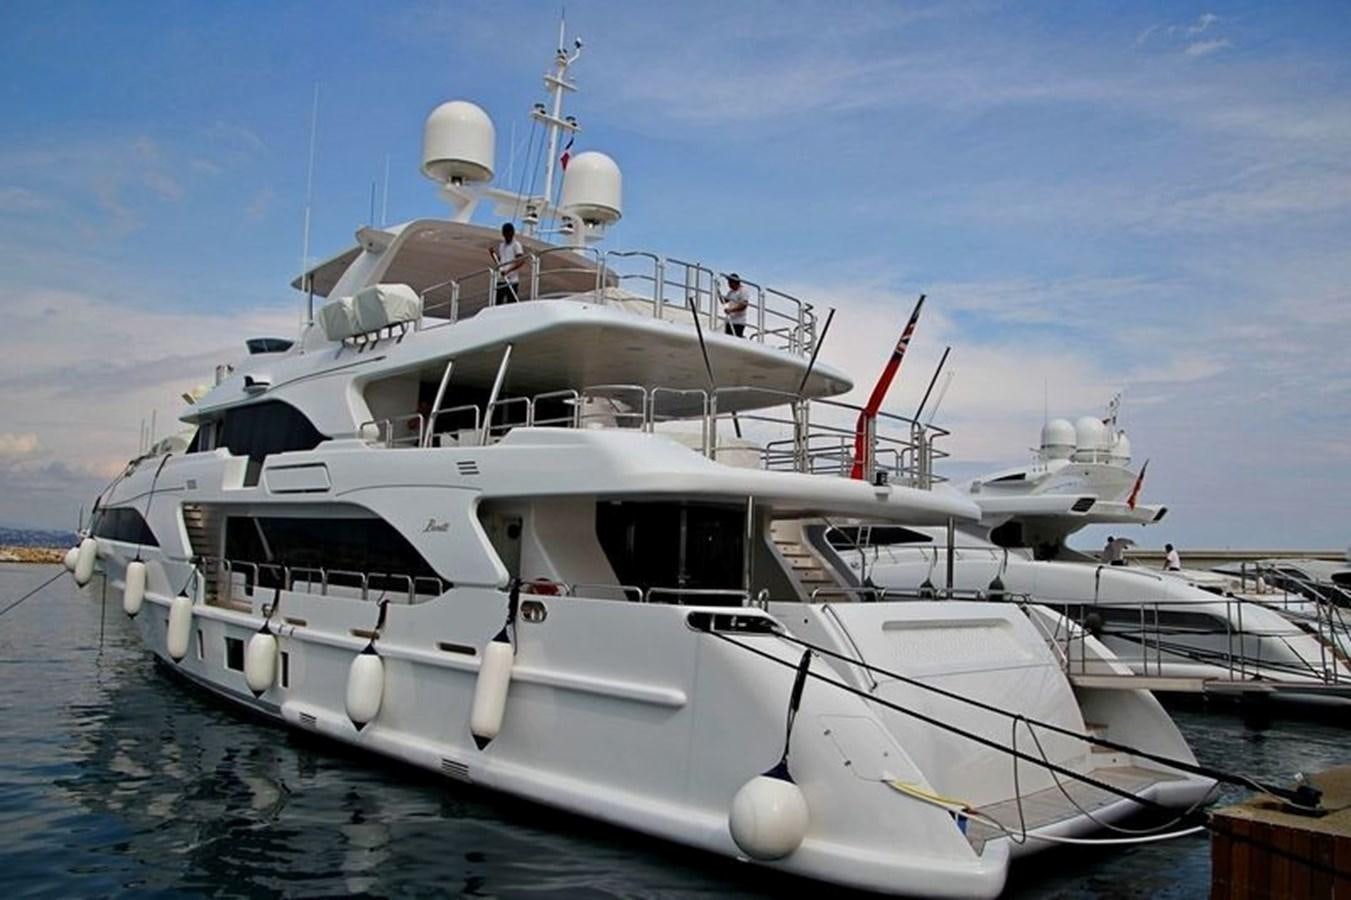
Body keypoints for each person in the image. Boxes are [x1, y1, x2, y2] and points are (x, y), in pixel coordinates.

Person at [489, 222, 526, 304]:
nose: (506, 237)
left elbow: (520, 261)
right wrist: (493, 254)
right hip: (501, 280)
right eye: (505, 235)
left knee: (511, 303)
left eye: (508, 234)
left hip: (512, 281)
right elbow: (500, 262)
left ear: (512, 233)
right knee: (498, 303)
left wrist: (508, 270)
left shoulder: (516, 245)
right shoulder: (501, 246)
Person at [720, 273, 750, 337]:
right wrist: (718, 291)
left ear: (734, 282)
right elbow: (723, 301)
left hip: (738, 322)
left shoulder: (743, 291)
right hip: (730, 321)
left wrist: (731, 310)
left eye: (730, 282)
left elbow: (743, 305)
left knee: (736, 339)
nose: (728, 284)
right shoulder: (731, 292)